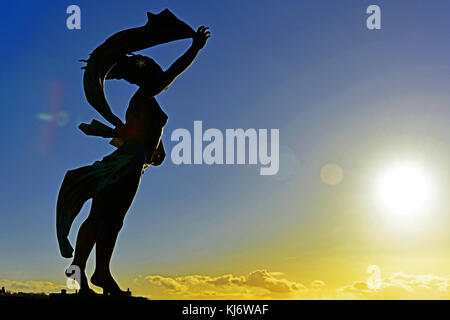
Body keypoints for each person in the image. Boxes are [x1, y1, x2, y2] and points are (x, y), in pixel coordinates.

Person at [57, 19, 210, 296]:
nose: (160, 78)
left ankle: (98, 273)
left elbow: (140, 132)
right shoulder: (142, 98)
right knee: (102, 217)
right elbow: (169, 76)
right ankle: (84, 272)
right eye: (154, 72)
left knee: (110, 219)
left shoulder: (145, 103)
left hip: (135, 163)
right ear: (146, 78)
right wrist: (194, 49)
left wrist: (157, 148)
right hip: (127, 164)